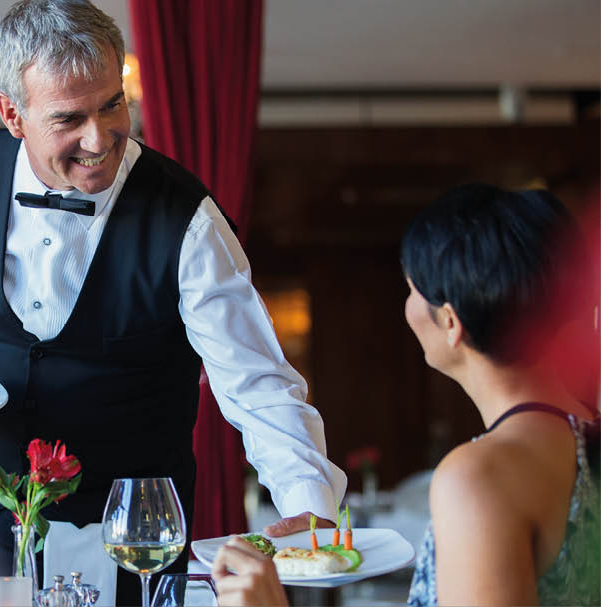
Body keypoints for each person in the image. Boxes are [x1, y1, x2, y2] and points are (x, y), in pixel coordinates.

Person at [0, 0, 345, 599]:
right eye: (68, 119)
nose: (99, 138)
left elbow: (257, 380)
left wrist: (307, 502)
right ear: (12, 114)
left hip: (134, 536)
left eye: (113, 104)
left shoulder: (184, 217)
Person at [212, 184, 599, 606]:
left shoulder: (480, 478)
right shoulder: (584, 435)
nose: (408, 306)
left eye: (412, 289)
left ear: (450, 322)